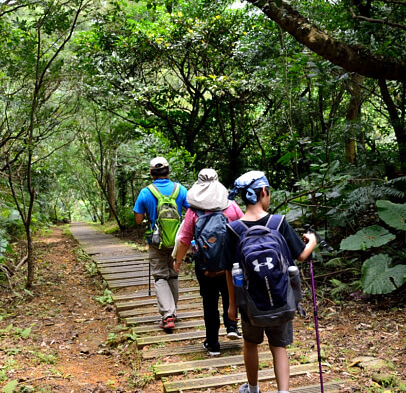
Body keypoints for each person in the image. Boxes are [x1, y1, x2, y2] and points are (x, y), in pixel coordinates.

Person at [226, 171, 317, 393]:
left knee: (250, 343)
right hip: (280, 297)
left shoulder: (233, 229)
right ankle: (283, 391)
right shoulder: (279, 223)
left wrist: (231, 305)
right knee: (279, 346)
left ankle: (253, 388)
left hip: (250, 303)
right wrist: (312, 241)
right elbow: (302, 255)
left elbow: (230, 270)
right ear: (263, 192)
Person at [173, 168, 244, 356]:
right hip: (229, 263)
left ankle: (213, 344)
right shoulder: (231, 206)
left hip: (205, 266)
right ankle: (231, 327)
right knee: (230, 294)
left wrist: (178, 261)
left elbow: (185, 239)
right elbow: (245, 230)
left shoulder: (194, 211)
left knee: (210, 302)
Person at [134, 156, 189, 332]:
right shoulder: (180, 190)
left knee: (160, 276)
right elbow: (191, 213)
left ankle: (168, 315)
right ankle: (173, 311)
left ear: (151, 173)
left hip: (156, 242)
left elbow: (138, 219)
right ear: (168, 171)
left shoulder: (145, 192)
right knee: (173, 274)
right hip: (177, 242)